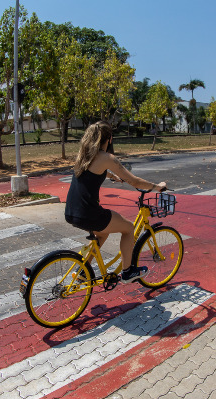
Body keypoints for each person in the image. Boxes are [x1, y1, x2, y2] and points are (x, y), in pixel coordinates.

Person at [65, 121, 166, 283]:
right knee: (128, 228)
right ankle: (128, 272)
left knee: (102, 234)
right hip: (89, 213)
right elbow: (135, 182)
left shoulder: (83, 156)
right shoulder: (107, 158)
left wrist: (112, 176)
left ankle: (82, 271)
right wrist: (157, 187)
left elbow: (93, 172)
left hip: (71, 212)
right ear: (109, 139)